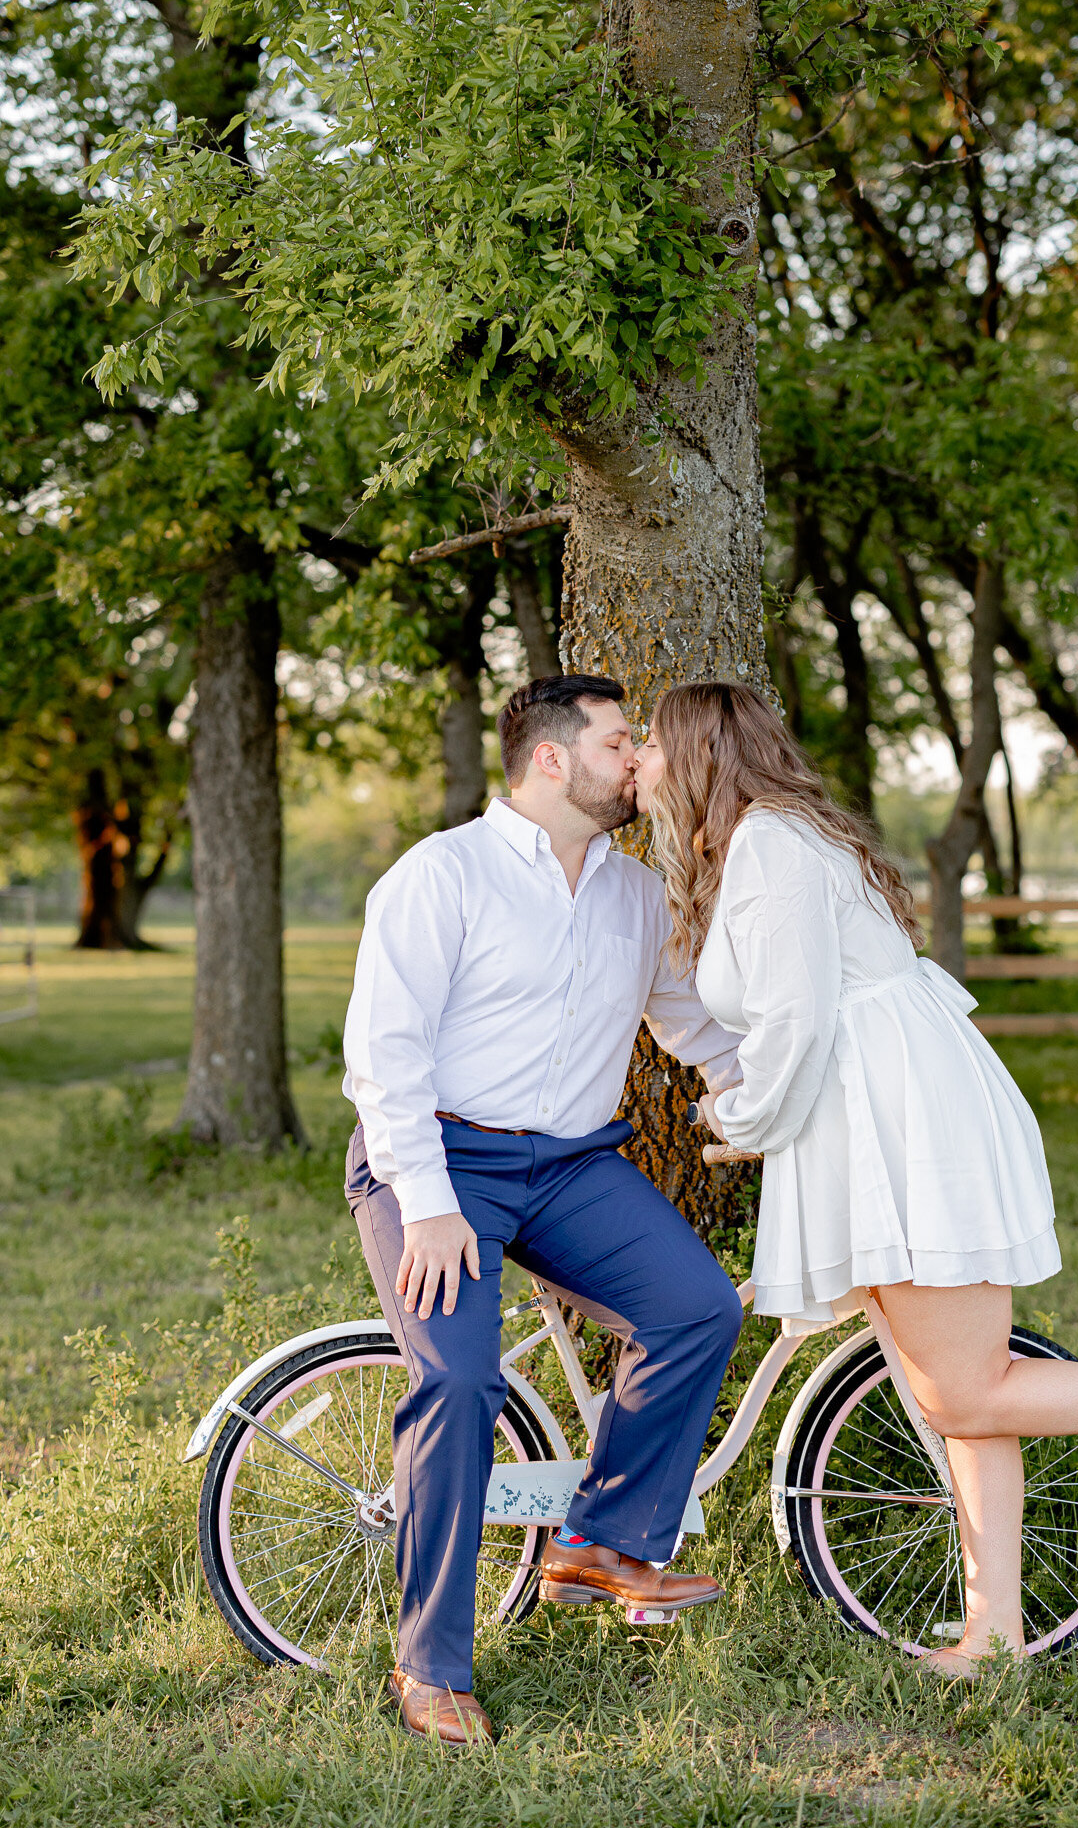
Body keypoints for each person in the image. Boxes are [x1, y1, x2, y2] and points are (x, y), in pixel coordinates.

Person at [632, 680, 1078, 1676]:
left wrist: (739, 1115)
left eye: (650, 740)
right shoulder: (759, 844)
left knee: (966, 1387)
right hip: (879, 1117)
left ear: (696, 752)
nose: (641, 757)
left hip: (901, 1122)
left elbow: (798, 1021)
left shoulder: (773, 845)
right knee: (963, 1391)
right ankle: (993, 1635)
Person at [342, 675, 744, 1747]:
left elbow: (695, 1024)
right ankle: (430, 1664)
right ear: (555, 759)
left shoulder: (636, 893)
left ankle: (601, 1539)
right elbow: (383, 1056)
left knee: (697, 1306)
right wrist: (427, 1205)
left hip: (570, 1166)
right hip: (433, 1159)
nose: (638, 760)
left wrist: (786, 1091)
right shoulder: (443, 874)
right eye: (621, 742)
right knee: (461, 1379)